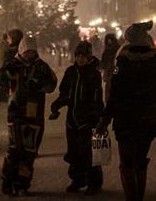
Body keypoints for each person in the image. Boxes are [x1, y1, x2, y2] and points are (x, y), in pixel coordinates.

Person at [96, 21, 156, 201]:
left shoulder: (123, 60)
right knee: (140, 162)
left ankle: (131, 197)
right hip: (148, 120)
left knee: (127, 163)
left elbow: (115, 93)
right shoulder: (154, 60)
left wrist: (105, 119)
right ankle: (138, 197)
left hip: (126, 120)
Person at [1, 35, 57, 196]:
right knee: (15, 150)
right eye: (26, 52)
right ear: (21, 50)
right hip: (16, 112)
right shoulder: (13, 65)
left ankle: (22, 184)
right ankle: (7, 181)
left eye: (32, 52)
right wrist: (5, 75)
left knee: (29, 152)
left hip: (34, 115)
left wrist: (41, 85)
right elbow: (0, 80)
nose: (29, 55)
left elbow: (52, 84)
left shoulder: (41, 66)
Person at [50, 41, 104, 196]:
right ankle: (77, 180)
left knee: (88, 153)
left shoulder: (93, 74)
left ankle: (94, 182)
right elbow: (65, 93)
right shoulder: (71, 72)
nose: (80, 59)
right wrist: (57, 104)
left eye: (83, 56)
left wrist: (98, 115)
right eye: (78, 56)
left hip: (87, 120)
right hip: (72, 120)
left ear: (89, 57)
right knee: (74, 152)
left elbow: (97, 97)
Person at [0, 29, 23, 102]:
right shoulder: (18, 50)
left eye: (9, 38)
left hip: (20, 91)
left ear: (14, 39)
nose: (8, 40)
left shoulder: (15, 52)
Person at [100, 33, 120, 101]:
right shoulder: (108, 50)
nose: (109, 41)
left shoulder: (117, 49)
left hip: (114, 71)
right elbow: (103, 62)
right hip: (110, 71)